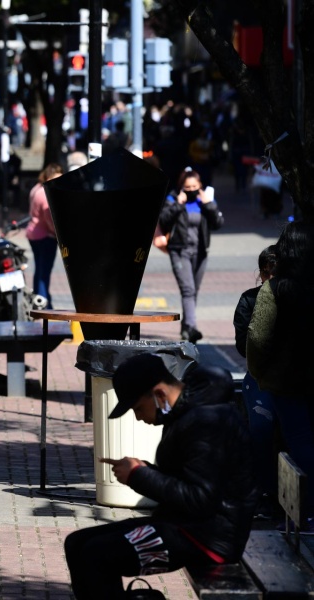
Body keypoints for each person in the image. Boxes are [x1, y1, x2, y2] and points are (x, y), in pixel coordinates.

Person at [64, 353, 257, 599]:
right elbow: (187, 481)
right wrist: (145, 470)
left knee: (96, 556)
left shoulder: (207, 422)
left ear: (159, 395)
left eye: (138, 408)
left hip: (207, 538)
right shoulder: (186, 411)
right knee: (77, 544)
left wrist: (138, 475)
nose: (138, 417)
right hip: (185, 524)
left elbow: (200, 499)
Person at [247, 222, 314, 530]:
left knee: (299, 441)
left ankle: (306, 513)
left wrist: (261, 375)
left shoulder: (273, 289)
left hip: (286, 382)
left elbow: (257, 339)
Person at [233, 245, 278, 516]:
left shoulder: (295, 295)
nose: (272, 279)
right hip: (261, 377)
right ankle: (264, 491)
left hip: (289, 378)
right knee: (261, 431)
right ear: (261, 273)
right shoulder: (250, 300)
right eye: (268, 273)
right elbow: (244, 345)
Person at [158, 168, 224, 343]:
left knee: (193, 291)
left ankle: (186, 328)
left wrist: (209, 204)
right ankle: (192, 328)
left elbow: (218, 223)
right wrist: (179, 204)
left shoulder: (204, 201)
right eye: (188, 187)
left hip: (201, 252)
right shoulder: (173, 199)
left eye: (195, 186)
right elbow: (163, 221)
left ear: (200, 186)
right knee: (188, 290)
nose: (192, 190)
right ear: (181, 187)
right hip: (179, 250)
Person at [25, 163, 64, 309]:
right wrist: (58, 234)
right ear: (48, 176)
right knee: (44, 272)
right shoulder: (46, 194)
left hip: (33, 233)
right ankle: (44, 302)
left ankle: (38, 298)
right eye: (55, 178)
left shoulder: (36, 188)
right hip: (45, 236)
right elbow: (50, 220)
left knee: (39, 269)